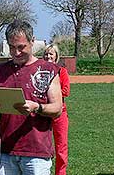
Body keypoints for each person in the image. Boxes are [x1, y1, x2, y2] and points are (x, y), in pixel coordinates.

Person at [0, 20, 62, 175]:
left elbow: (57, 109)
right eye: (12, 47)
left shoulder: (48, 69)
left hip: (37, 152)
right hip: (4, 150)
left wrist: (37, 107)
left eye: (21, 47)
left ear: (32, 41)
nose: (16, 52)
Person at [43, 44, 70, 175]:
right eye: (46, 54)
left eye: (51, 54)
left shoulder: (61, 71)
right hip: (42, 112)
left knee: (61, 146)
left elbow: (66, 90)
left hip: (59, 113)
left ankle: (60, 173)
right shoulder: (40, 71)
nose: (48, 56)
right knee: (41, 144)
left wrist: (51, 94)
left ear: (56, 56)